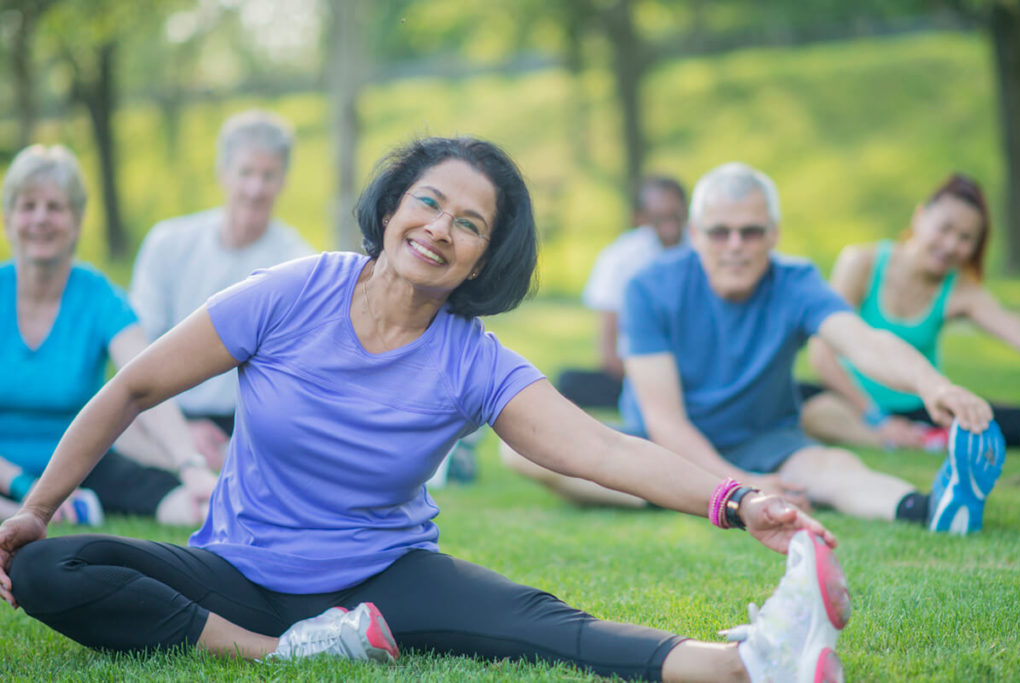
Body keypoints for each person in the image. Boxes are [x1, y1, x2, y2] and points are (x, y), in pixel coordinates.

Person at [2, 138, 851, 682]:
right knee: (49, 570)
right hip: (239, 572)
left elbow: (602, 450)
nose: (442, 228)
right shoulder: (295, 291)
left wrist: (741, 502)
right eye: (431, 203)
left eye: (471, 224)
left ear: (485, 257)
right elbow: (134, 387)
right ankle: (284, 654)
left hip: (385, 579)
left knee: (544, 624)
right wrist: (36, 509)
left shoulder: (473, 359)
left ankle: (741, 666)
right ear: (395, 205)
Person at [503, 162, 1005, 535]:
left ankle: (930, 509)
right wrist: (741, 484)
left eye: (751, 231)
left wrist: (933, 385)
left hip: (768, 440)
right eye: (720, 232)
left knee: (835, 469)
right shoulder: (648, 288)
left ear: (773, 234)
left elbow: (864, 342)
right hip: (657, 450)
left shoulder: (796, 280)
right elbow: (665, 421)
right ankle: (681, 493)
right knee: (519, 454)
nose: (736, 244)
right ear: (696, 235)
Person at [0, 144, 217, 526]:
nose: (40, 219)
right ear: (8, 218)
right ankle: (35, 512)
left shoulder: (100, 298)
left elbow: (149, 377)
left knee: (191, 505)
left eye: (55, 207)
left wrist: (190, 465)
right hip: (6, 473)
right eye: (28, 206)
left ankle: (54, 510)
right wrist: (22, 486)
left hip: (80, 466)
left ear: (77, 221)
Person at [129, 110, 314, 468]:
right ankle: (190, 468)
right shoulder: (168, 242)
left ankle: (209, 470)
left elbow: (292, 374)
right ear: (223, 173)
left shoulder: (298, 262)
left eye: (269, 175)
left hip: (250, 420)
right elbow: (140, 351)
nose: (256, 189)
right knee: (111, 420)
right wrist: (180, 428)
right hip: (167, 409)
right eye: (246, 173)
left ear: (284, 181)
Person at [800, 173, 1020, 451]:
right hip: (850, 402)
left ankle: (916, 436)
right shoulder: (862, 262)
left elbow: (1014, 330)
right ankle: (897, 438)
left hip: (922, 406)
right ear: (920, 217)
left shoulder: (961, 291)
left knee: (1001, 421)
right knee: (807, 407)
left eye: (965, 238)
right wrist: (876, 419)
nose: (951, 245)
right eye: (945, 229)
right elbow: (821, 356)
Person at [557, 176, 688, 408]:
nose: (668, 223)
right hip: (636, 370)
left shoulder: (706, 252)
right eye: (659, 216)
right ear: (641, 218)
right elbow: (608, 348)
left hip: (692, 370)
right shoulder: (621, 258)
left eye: (674, 214)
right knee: (568, 382)